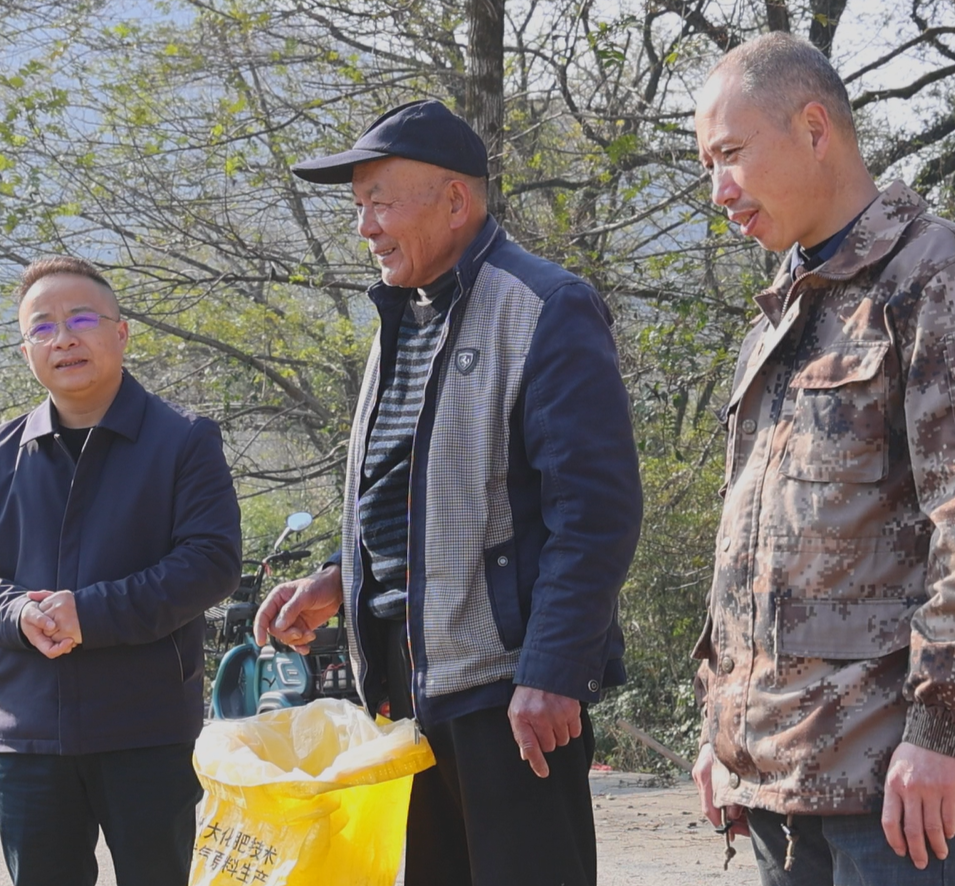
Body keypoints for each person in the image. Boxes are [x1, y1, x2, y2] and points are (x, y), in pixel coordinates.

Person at [689, 34, 955, 886]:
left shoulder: (946, 282)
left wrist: (946, 732)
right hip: (779, 780)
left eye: (729, 156)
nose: (717, 190)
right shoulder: (783, 314)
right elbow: (760, 547)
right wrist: (724, 729)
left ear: (814, 128)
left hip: (895, 791)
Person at [253, 99, 643, 886]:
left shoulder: (543, 305)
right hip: (405, 685)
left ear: (456, 200)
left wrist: (553, 670)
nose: (363, 226)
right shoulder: (402, 312)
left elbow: (595, 513)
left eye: (379, 202)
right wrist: (340, 576)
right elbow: (410, 485)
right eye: (357, 206)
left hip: (507, 690)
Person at [0, 256, 242, 886]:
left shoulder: (182, 440)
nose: (63, 338)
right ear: (26, 351)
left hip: (145, 729)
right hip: (28, 734)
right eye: (42, 327)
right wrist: (17, 612)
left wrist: (88, 612)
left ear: (120, 333)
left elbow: (210, 562)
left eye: (81, 319)